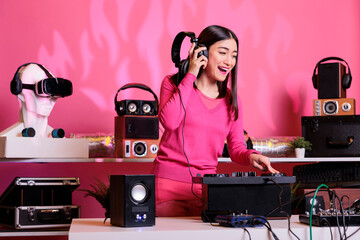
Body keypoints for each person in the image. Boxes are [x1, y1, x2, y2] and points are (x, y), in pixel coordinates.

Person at [152, 25, 279, 217]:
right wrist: (190, 74)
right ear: (201, 52)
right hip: (167, 188)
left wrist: (253, 157)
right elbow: (169, 122)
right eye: (223, 52)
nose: (229, 61)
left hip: (208, 190)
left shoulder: (231, 99)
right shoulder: (172, 83)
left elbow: (236, 148)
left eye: (234, 55)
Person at [0, 64, 57, 138]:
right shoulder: (6, 139)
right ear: (20, 94)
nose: (50, 98)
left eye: (53, 92)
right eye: (41, 90)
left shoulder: (59, 140)